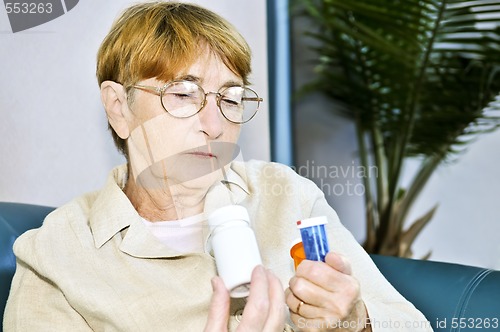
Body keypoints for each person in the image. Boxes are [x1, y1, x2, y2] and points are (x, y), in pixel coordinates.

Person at [3, 2, 432, 331]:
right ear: (119, 107)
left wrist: (353, 321)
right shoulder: (56, 256)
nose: (214, 125)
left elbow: (411, 324)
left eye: (229, 98)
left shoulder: (286, 196)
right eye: (184, 94)